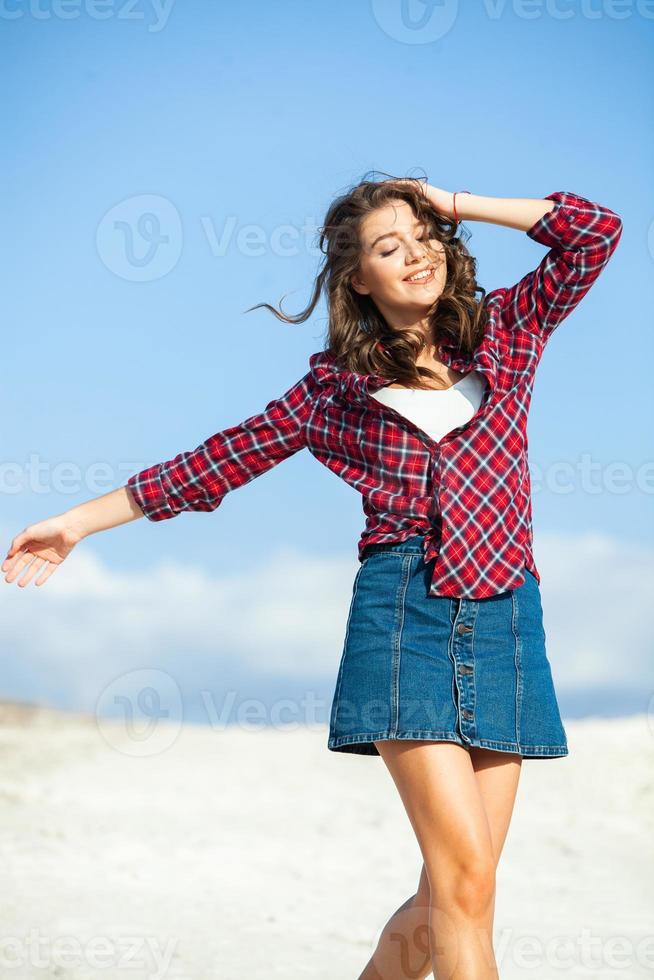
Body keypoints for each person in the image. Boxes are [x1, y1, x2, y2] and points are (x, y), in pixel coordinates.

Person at [1, 175, 623, 979]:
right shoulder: (333, 390)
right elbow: (217, 460)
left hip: (507, 615)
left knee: (455, 895)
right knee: (464, 881)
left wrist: (456, 202)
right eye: (388, 247)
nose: (415, 255)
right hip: (406, 618)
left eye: (424, 236)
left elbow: (593, 232)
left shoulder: (509, 328)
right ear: (358, 277)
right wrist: (78, 521)